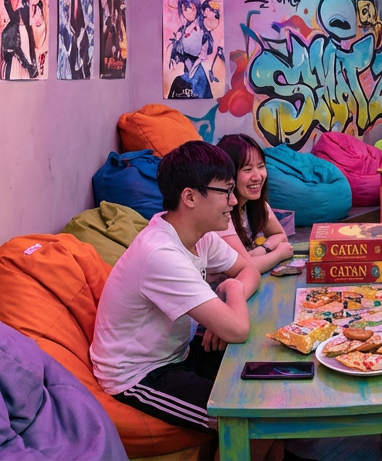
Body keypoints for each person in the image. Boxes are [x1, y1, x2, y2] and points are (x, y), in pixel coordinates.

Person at [89, 142, 281, 460]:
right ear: (190, 197)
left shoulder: (199, 235)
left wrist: (227, 303)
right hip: (141, 374)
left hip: (180, 349)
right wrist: (231, 297)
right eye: (226, 192)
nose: (234, 202)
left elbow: (248, 269)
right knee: (253, 414)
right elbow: (236, 328)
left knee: (270, 372)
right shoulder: (160, 253)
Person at [214, 134, 293, 274]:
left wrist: (263, 249)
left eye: (261, 166)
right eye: (247, 169)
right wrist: (279, 254)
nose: (257, 177)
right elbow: (246, 268)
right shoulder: (220, 213)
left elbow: (280, 235)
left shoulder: (254, 203)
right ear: (228, 174)